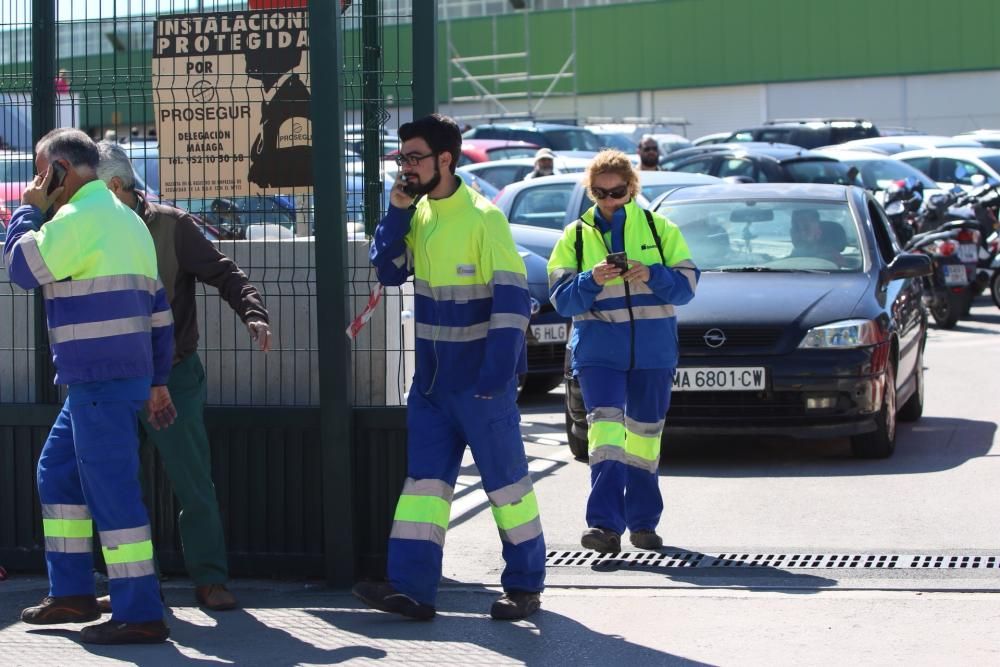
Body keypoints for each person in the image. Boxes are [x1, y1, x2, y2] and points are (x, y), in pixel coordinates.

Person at [358, 113, 545, 621]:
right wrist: (396, 213)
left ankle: (525, 586)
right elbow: (389, 270)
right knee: (424, 490)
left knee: (507, 487)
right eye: (402, 158)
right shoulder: (418, 214)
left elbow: (512, 303)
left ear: (446, 159)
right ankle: (414, 590)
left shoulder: (485, 219)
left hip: (481, 387)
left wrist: (494, 379)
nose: (406, 167)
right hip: (433, 389)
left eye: (414, 157)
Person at [5, 128, 176, 644]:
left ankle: (140, 612)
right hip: (105, 381)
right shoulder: (128, 221)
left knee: (114, 497)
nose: (36, 182)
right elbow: (159, 312)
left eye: (40, 171)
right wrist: (158, 380)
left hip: (98, 380)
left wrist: (26, 211)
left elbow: (21, 268)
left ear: (60, 170)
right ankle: (73, 593)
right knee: (57, 474)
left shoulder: (75, 221)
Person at [96, 140, 272, 612]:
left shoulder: (173, 226)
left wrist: (253, 314)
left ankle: (209, 578)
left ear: (115, 186)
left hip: (173, 375)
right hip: (111, 379)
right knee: (114, 482)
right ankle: (131, 585)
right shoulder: (91, 227)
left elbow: (225, 272)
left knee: (193, 481)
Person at [546, 149, 699, 553]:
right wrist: (591, 279)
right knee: (606, 438)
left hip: (653, 352)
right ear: (590, 191)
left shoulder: (659, 228)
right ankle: (604, 527)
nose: (609, 201)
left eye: (616, 192)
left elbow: (686, 288)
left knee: (646, 440)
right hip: (599, 354)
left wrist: (652, 273)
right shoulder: (574, 236)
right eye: (599, 193)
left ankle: (644, 524)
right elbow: (562, 300)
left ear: (631, 188)